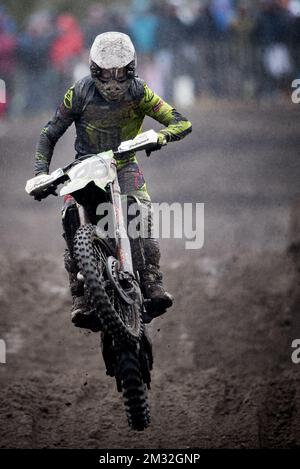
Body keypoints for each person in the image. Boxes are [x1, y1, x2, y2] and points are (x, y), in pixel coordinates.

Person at [33, 32, 192, 328]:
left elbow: (181, 121)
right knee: (70, 215)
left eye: (120, 73)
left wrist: (160, 135)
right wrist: (41, 173)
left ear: (131, 69)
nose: (114, 82)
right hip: (85, 168)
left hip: (123, 164)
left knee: (139, 213)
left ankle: (152, 281)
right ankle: (80, 293)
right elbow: (49, 132)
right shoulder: (78, 93)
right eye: (107, 73)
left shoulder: (140, 93)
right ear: (95, 69)